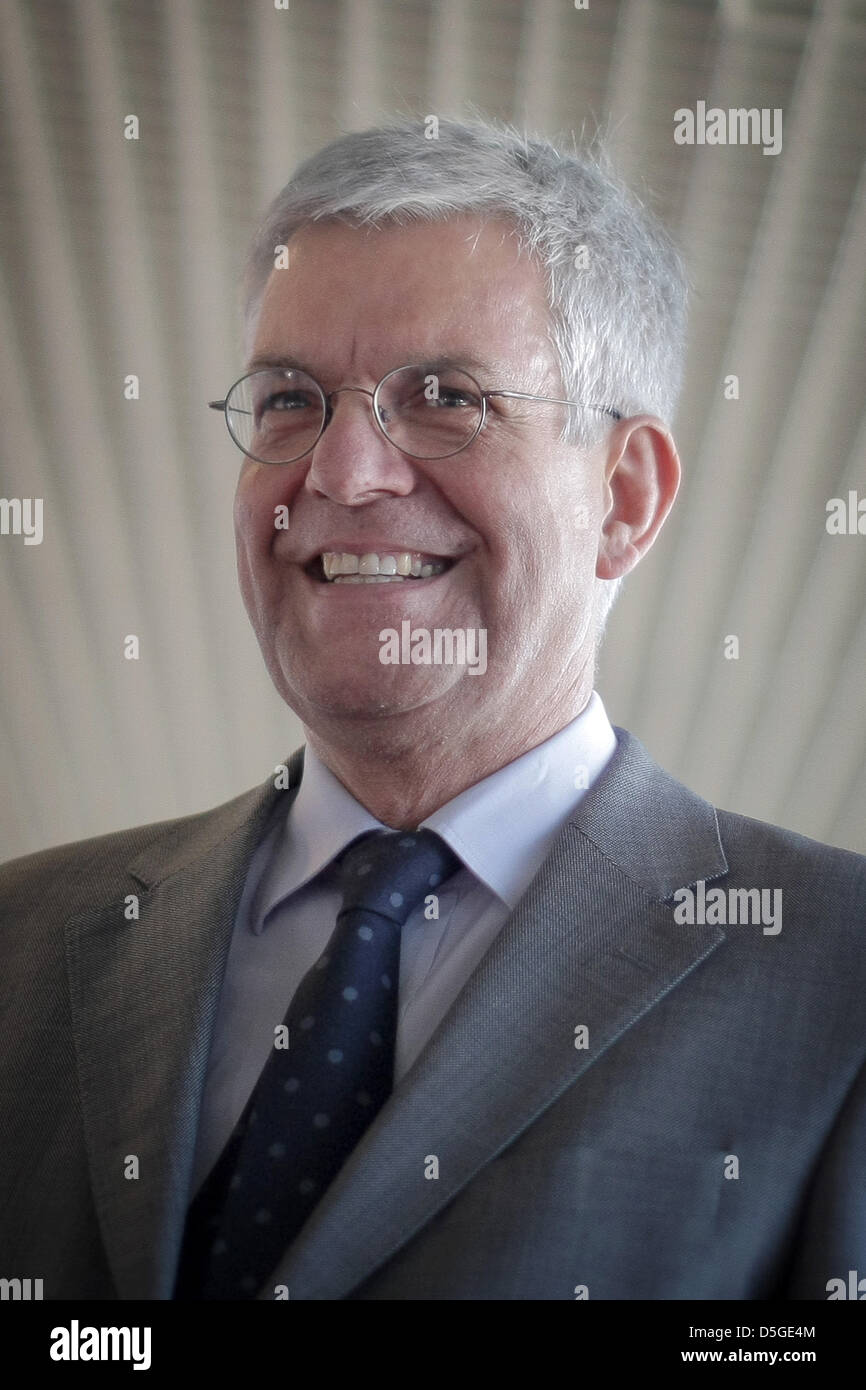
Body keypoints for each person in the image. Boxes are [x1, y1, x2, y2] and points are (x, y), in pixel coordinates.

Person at [1, 118, 863, 1303]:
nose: (343, 473)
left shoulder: (835, 978)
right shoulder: (21, 939)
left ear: (623, 496)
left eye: (445, 395)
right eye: (291, 398)